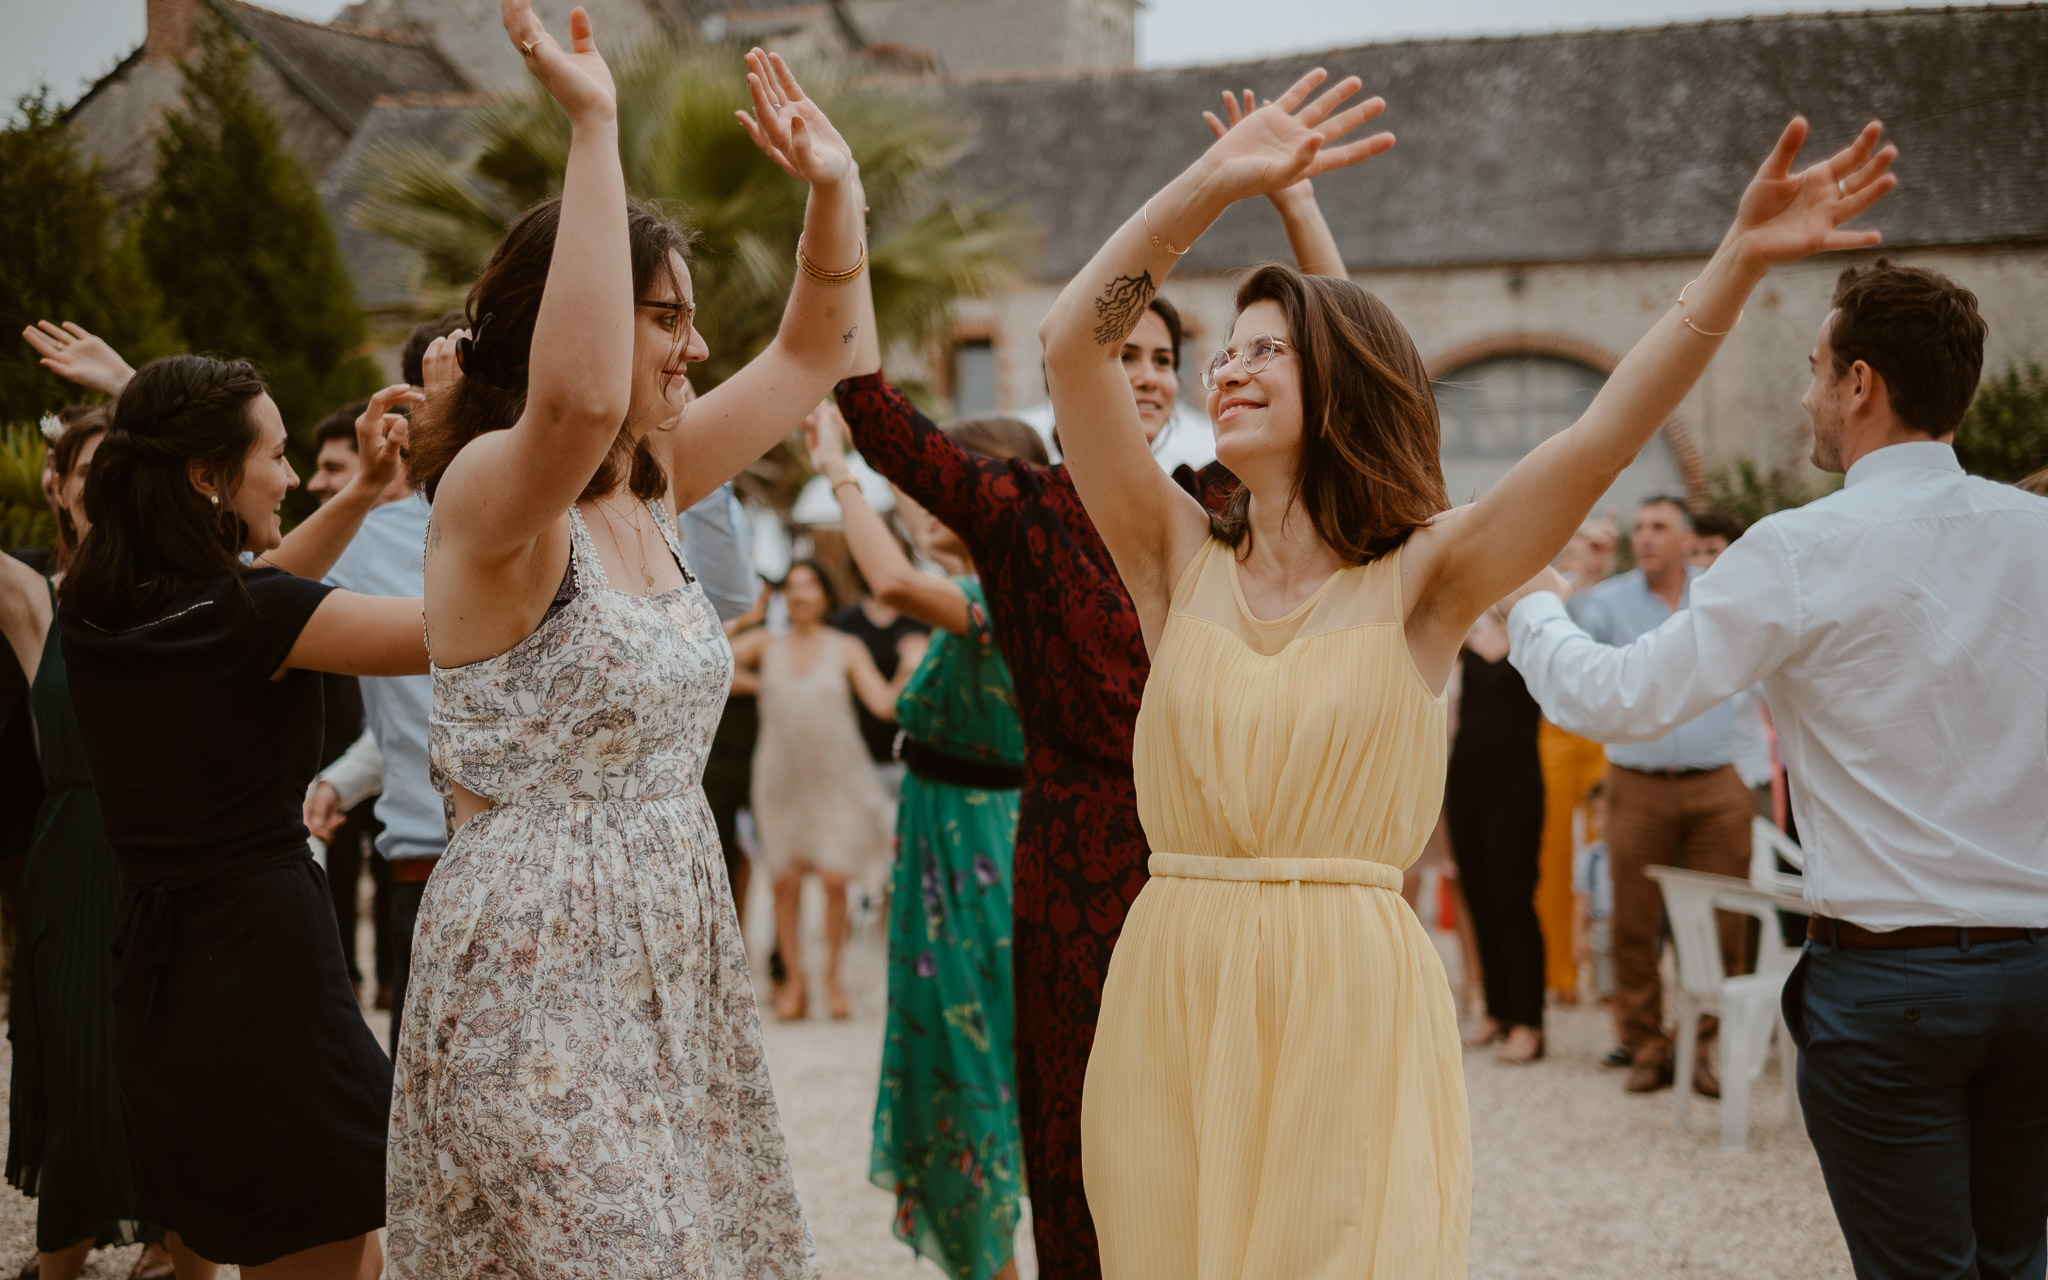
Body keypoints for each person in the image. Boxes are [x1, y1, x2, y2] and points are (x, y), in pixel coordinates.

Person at [1042, 71, 1895, 1275]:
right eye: (1220, 353)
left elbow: (1598, 437)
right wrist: (1216, 182)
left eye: (1265, 350)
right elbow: (1066, 343)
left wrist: (1737, 262)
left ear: (1330, 383)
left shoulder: (1423, 576)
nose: (1223, 370)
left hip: (1346, 991)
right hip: (1168, 978)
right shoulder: (1170, 554)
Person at [829, 94, 1351, 1279]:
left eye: (1165, 358)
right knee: (1079, 1155)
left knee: (1228, 1158)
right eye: (1125, 355)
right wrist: (837, 202)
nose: (1149, 376)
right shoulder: (1017, 511)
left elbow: (1353, 408)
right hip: (1073, 859)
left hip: (1225, 854)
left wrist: (1294, 201)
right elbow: (873, 409)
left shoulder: (1227, 507)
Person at [388, 12, 863, 1269]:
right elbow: (580, 393)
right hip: (533, 966)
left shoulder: (647, 484)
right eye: (667, 316)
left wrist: (835, 187)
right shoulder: (493, 493)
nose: (696, 347)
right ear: (571, 314)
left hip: (671, 944)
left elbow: (816, 348)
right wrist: (592, 126)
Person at [1504, 258, 2045, 1280]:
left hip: (1892, 987)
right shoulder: (2039, 537)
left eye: (1811, 367)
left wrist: (1531, 603)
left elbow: (1617, 697)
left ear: (1858, 384)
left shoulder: (1795, 550)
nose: (1803, 393)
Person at [58, 350, 428, 1279]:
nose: (297, 476)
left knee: (280, 1237)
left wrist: (367, 492)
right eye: (276, 456)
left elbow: (254, 594)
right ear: (207, 477)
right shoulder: (251, 616)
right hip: (264, 970)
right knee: (329, 1254)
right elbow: (461, 631)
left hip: (161, 976)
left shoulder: (101, 610)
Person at [809, 402, 1042, 1280]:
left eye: (961, 481)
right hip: (946, 844)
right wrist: (863, 456)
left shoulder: (1004, 594)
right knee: (964, 1057)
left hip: (976, 856)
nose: (936, 499)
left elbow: (895, 584)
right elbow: (917, 524)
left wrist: (838, 472)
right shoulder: (986, 579)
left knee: (970, 1061)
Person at [0, 412, 201, 1280]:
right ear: (57, 485)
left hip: (164, 851)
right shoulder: (33, 598)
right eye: (84, 468)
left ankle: (175, 1239)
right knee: (79, 1047)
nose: (99, 482)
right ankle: (63, 1251)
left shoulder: (179, 586)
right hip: (72, 853)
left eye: (116, 465)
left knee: (169, 1050)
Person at [1566, 494, 1757, 1097]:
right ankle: (1646, 1045)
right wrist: (1586, 571)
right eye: (1640, 527)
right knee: (1633, 921)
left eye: (1659, 528)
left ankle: (1700, 1050)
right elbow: (1562, 645)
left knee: (1725, 923)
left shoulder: (1723, 591)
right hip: (1637, 784)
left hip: (1717, 782)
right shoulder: (1610, 600)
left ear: (1684, 538)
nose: (1645, 537)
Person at [732, 560, 914, 1020]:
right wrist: (748, 618)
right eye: (792, 588)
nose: (800, 595)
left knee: (835, 881)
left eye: (809, 586)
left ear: (826, 595)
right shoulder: (765, 644)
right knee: (785, 881)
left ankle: (832, 978)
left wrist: (911, 664)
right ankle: (794, 984)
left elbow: (884, 703)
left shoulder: (846, 647)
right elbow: (705, 655)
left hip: (837, 777)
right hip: (780, 779)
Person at [1446, 605, 1547, 1063]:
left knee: (1513, 897)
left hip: (1516, 780)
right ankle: (1497, 1012)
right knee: (1479, 895)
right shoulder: (1469, 635)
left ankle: (1529, 1020)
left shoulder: (1535, 635)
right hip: (1466, 779)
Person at [1534, 515, 1619, 1002]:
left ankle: (1603, 973)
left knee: (1604, 850)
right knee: (1552, 849)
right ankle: (1558, 972)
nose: (1592, 549)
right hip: (1558, 728)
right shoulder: (1553, 580)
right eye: (1584, 541)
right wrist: (1582, 568)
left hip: (1603, 728)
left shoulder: (1621, 591)